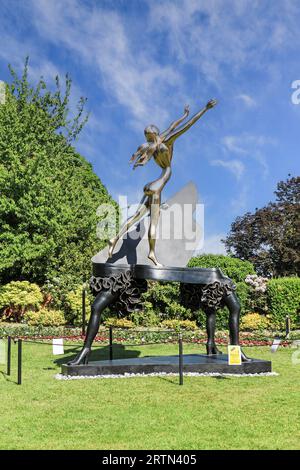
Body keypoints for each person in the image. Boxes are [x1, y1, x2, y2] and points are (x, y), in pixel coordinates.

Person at [108, 99, 217, 266]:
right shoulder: (167, 141)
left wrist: (183, 114)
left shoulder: (149, 146)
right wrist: (205, 109)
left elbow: (173, 125)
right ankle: (152, 254)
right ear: (157, 132)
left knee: (136, 216)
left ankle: (115, 238)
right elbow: (188, 125)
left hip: (149, 186)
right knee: (154, 222)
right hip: (158, 184)